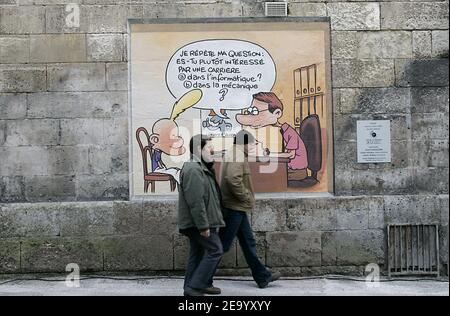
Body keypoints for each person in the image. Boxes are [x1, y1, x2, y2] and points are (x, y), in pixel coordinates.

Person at [218, 130, 281, 288]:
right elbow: (233, 179)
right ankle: (200, 279)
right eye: (252, 143)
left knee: (248, 241)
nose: (253, 146)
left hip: (236, 206)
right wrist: (246, 197)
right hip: (234, 207)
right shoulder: (237, 155)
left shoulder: (234, 153)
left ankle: (262, 276)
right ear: (244, 143)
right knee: (221, 245)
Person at [177, 134, 225, 296]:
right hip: (198, 223)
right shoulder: (193, 169)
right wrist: (203, 226)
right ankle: (195, 286)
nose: (213, 150)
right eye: (209, 147)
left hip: (203, 221)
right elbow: (196, 202)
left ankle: (193, 286)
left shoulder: (202, 167)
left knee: (197, 253)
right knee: (215, 250)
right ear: (198, 149)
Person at [236, 92, 309, 180]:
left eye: (256, 111)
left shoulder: (289, 132)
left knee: (258, 177)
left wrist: (266, 154)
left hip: (296, 172)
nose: (253, 115)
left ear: (277, 113)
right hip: (285, 168)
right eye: (252, 111)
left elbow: (290, 155)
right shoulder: (277, 131)